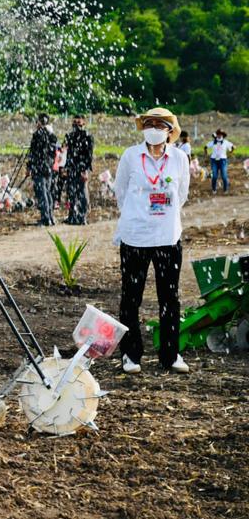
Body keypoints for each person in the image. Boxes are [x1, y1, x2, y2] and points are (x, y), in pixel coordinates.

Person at [114, 108, 190, 375]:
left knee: (170, 298)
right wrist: (139, 214)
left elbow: (181, 195)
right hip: (135, 237)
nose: (154, 128)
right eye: (149, 123)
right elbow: (120, 192)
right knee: (130, 298)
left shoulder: (179, 158)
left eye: (160, 124)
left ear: (170, 130)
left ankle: (170, 355)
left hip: (167, 238)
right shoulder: (131, 156)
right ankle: (130, 355)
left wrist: (160, 217)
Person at [27, 113, 57, 226]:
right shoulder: (52, 135)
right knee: (48, 192)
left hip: (39, 168)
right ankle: (50, 216)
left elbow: (33, 153)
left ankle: (45, 218)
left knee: (42, 192)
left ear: (40, 122)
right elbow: (53, 153)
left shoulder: (37, 135)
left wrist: (29, 166)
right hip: (48, 168)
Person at [63, 114, 94, 225]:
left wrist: (84, 170)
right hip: (72, 167)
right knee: (71, 192)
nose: (76, 125)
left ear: (84, 123)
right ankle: (72, 216)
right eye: (75, 123)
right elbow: (69, 154)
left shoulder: (87, 137)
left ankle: (82, 217)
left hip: (81, 167)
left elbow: (89, 155)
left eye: (79, 123)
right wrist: (66, 167)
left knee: (82, 192)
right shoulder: (70, 136)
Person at [206, 129, 235, 193]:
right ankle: (214, 189)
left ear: (222, 135)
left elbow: (233, 146)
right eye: (218, 134)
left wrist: (230, 152)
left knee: (224, 175)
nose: (219, 135)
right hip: (214, 160)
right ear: (216, 135)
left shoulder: (225, 142)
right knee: (214, 176)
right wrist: (207, 154)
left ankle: (225, 189)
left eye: (220, 134)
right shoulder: (213, 142)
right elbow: (205, 147)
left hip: (222, 160)